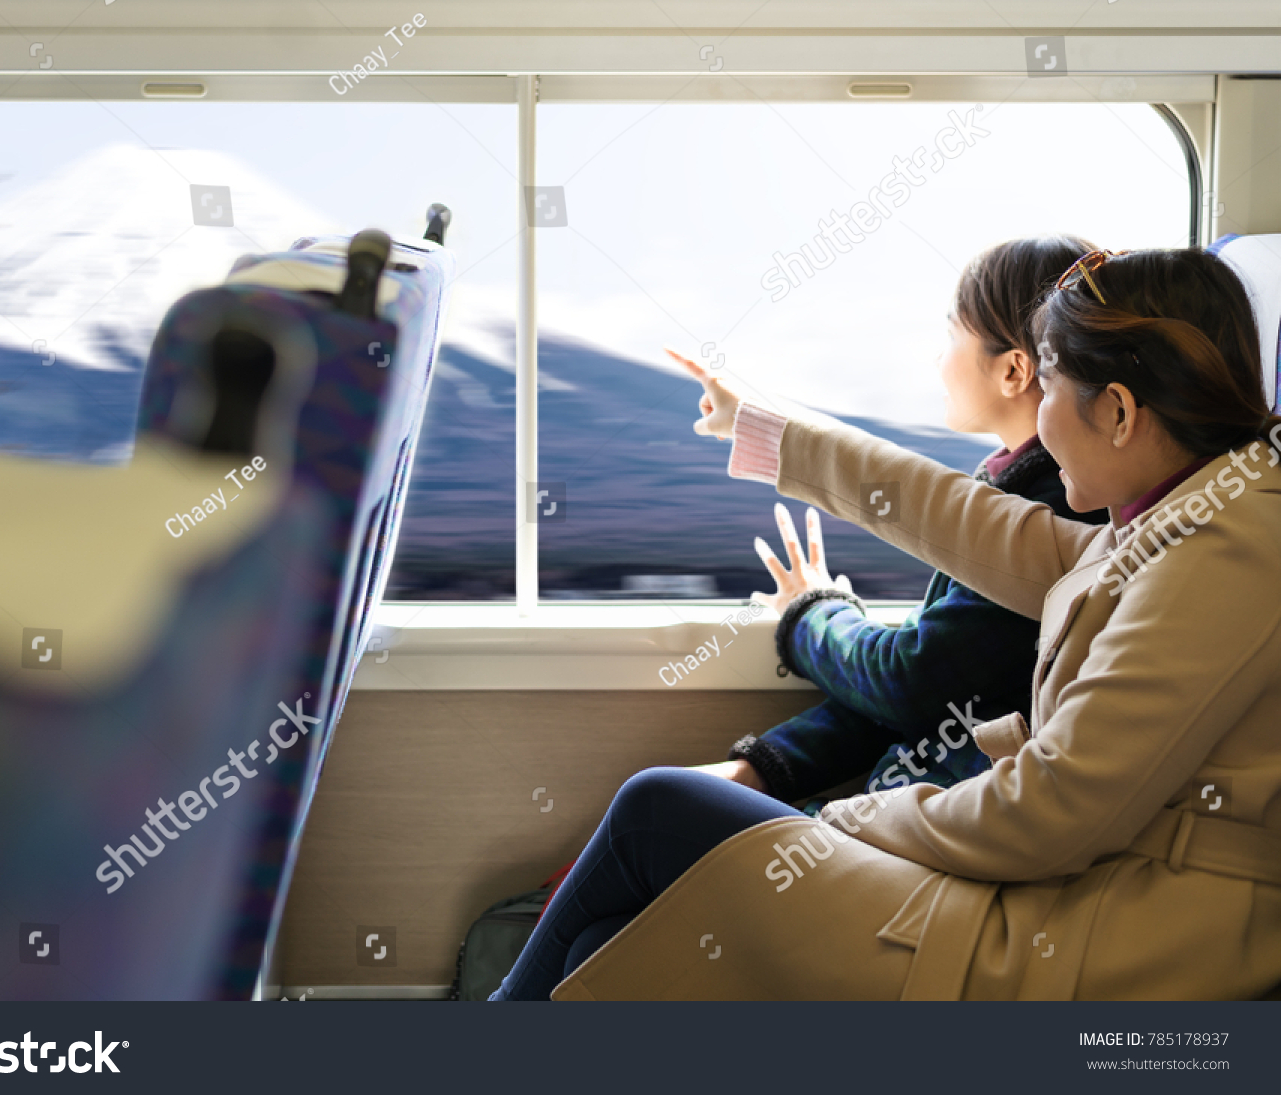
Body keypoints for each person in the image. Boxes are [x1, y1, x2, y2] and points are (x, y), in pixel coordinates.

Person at [492, 245, 1281, 1001]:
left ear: (1116, 411)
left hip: (1105, 941)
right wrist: (772, 433)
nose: (1041, 420)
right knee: (605, 943)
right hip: (1074, 893)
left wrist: (845, 817)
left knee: (657, 808)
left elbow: (1049, 815)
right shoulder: (1183, 516)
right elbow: (973, 520)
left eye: (1049, 389)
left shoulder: (1226, 549)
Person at [690, 237, 1105, 810]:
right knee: (661, 812)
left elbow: (912, 683)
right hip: (914, 804)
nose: (938, 359)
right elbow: (929, 695)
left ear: (1013, 369)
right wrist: (760, 768)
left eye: (951, 335)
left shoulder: (1057, 506)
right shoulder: (1015, 487)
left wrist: (811, 613)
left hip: (947, 811)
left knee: (648, 812)